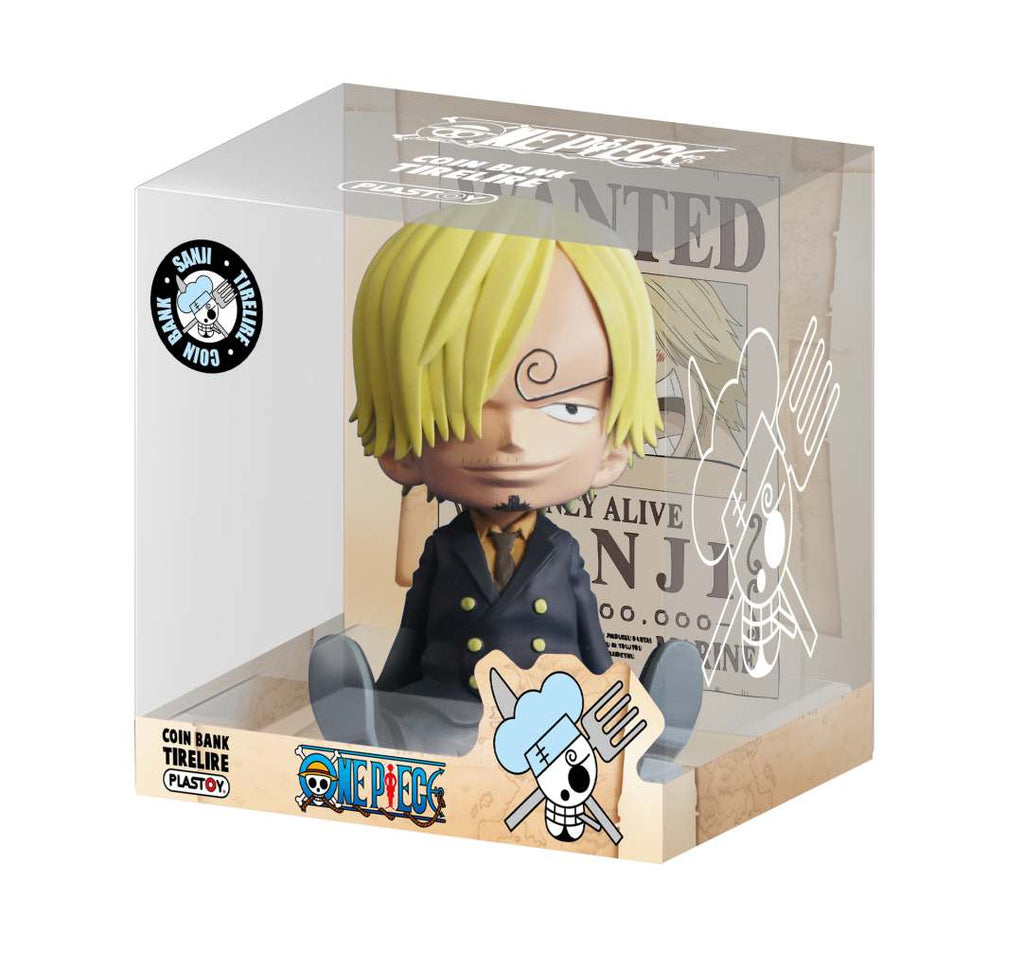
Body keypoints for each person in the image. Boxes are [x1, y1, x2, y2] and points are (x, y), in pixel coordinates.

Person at [310, 201, 702, 766]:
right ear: (400, 449)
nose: (514, 439)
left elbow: (591, 642)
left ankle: (646, 739)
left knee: (584, 750)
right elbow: (412, 637)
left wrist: (614, 695)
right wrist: (385, 699)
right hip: (450, 708)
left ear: (612, 448)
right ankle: (372, 734)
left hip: (554, 715)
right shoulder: (443, 551)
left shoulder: (561, 553)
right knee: (425, 737)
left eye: (567, 408)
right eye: (466, 412)